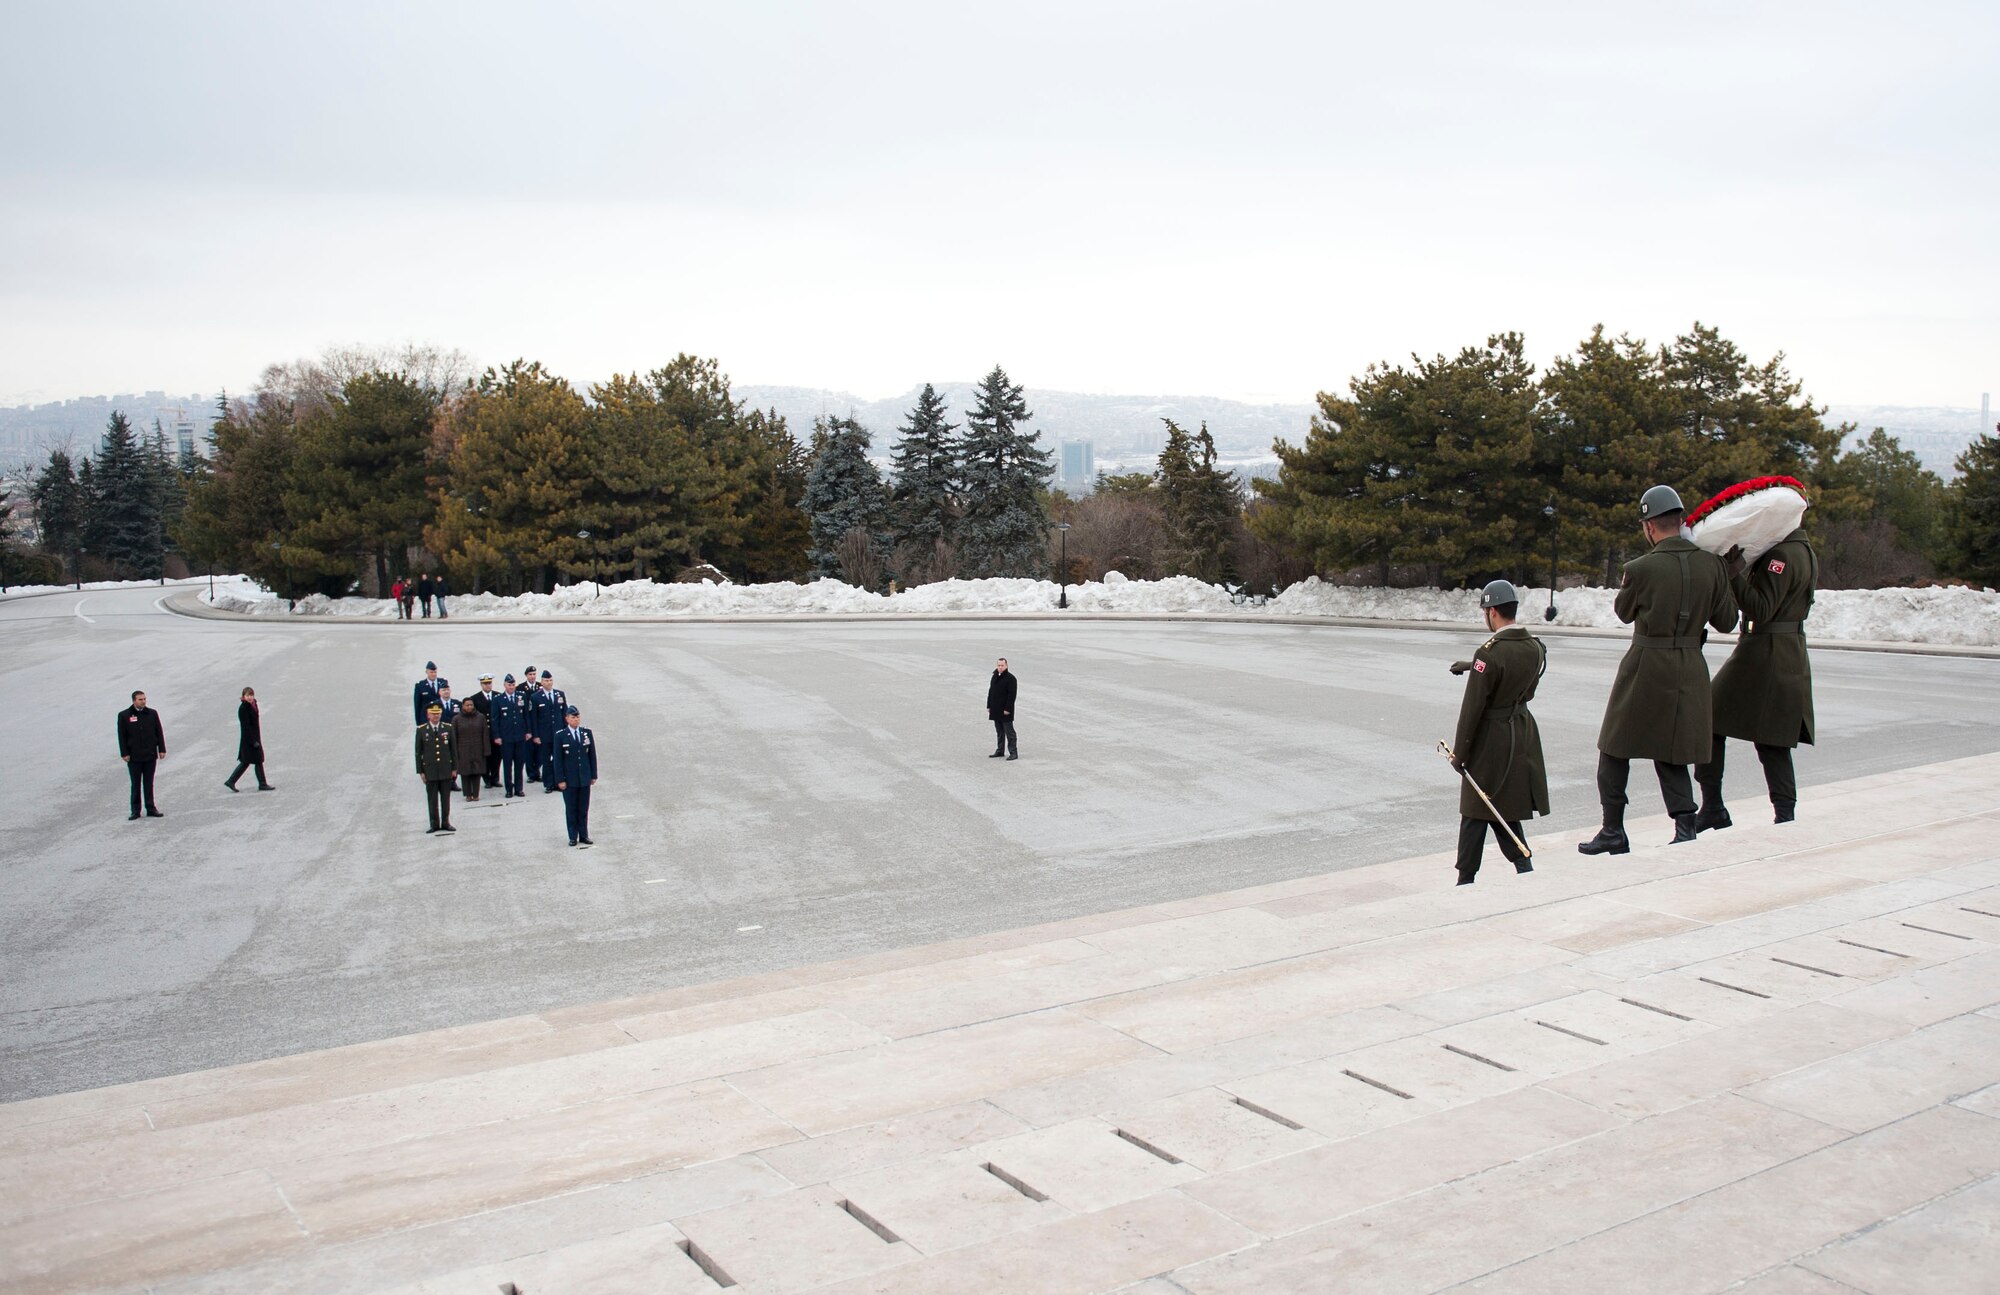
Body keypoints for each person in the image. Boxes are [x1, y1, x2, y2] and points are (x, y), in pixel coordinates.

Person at [1581, 485, 1740, 855]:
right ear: (1680, 521)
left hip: (1646, 664)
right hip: (1690, 666)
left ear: (1650, 526)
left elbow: (1623, 613)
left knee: (1615, 747)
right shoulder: (1712, 565)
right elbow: (1727, 622)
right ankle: (1685, 827)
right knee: (1671, 749)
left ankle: (1613, 829)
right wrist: (1727, 576)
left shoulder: (1640, 569)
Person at [1696, 526, 1818, 828]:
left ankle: (1715, 807)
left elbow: (1761, 608)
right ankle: (1783, 815)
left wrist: (1734, 574)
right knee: (1771, 738)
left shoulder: (1781, 556)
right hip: (1779, 650)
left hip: (1766, 653)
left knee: (1712, 718)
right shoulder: (1803, 550)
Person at [1446, 581, 1548, 884]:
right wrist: (1472, 665)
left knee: (1477, 804)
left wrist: (1459, 753)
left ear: (1492, 612)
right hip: (1520, 732)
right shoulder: (1535, 647)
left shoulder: (1488, 653)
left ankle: (1466, 877)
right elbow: (1516, 678)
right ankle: (1522, 862)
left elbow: (1472, 710)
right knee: (1502, 804)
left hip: (1489, 739)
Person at [552, 704, 599, 846]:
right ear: (567, 718)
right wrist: (560, 779)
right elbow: (558, 760)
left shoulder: (586, 733)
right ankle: (573, 836)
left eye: (577, 717)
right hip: (569, 779)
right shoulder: (560, 736)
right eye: (573, 717)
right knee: (571, 809)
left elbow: (592, 755)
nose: (576, 720)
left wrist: (593, 775)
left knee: (583, 808)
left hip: (584, 778)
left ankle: (584, 835)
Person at [117, 689, 167, 820]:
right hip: (134, 756)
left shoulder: (152, 713)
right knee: (136, 784)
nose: (143, 701)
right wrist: (124, 753)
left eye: (144, 699)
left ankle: (151, 807)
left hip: (150, 754)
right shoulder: (124, 715)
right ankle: (135, 810)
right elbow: (121, 736)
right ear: (134, 700)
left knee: (149, 782)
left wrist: (161, 749)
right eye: (140, 699)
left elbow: (159, 732)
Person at [415, 700, 458, 833]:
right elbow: (418, 752)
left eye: (438, 714)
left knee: (446, 798)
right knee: (432, 799)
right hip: (430, 770)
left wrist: (454, 768)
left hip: (445, 769)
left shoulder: (447, 728)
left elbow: (453, 750)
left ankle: (446, 822)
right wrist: (421, 771)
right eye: (433, 714)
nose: (436, 716)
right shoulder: (422, 730)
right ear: (428, 715)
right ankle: (434, 824)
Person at [224, 686, 274, 792]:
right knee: (250, 761)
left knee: (254, 761)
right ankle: (261, 783)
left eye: (251, 695)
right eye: (248, 695)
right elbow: (245, 727)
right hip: (249, 740)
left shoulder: (253, 705)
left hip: (254, 738)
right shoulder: (243, 708)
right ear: (243, 696)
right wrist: (253, 741)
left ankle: (233, 781)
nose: (250, 697)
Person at [492, 673, 530, 797]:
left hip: (520, 736)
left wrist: (528, 731)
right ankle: (509, 789)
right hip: (506, 737)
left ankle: (519, 788)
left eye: (513, 685)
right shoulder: (498, 699)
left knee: (519, 764)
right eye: (509, 685)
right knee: (507, 765)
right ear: (504, 685)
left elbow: (526, 716)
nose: (511, 687)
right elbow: (495, 719)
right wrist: (497, 736)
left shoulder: (521, 696)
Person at [452, 694, 489, 801]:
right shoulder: (457, 719)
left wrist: (486, 750)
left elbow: (485, 734)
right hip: (463, 749)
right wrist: (454, 752)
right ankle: (468, 794)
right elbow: (454, 736)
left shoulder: (480, 717)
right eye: (467, 705)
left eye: (471, 705)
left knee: (477, 772)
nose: (469, 707)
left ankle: (476, 794)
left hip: (478, 749)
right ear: (462, 706)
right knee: (465, 773)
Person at [538, 671, 570, 792]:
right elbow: (534, 718)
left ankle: (559, 781)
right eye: (546, 680)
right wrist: (536, 735)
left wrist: (566, 730)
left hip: (559, 733)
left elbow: (565, 713)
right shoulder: (536, 697)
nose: (549, 683)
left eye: (550, 680)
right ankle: (548, 783)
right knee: (546, 760)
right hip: (545, 735)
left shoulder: (559, 694)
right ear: (542, 682)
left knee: (559, 759)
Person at [471, 673, 502, 789]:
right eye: (485, 684)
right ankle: (486, 779)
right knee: (485, 757)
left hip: (496, 732)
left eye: (489, 683)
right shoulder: (475, 698)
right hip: (483, 733)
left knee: (497, 757)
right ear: (481, 685)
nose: (488, 685)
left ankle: (495, 778)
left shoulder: (498, 696)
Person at [986, 657, 1018, 760]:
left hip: (1005, 711)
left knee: (1009, 732)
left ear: (1006, 666)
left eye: (1002, 665)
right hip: (995, 709)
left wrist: (1007, 709)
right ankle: (1000, 750)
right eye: (998, 665)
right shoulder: (994, 676)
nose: (1000, 667)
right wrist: (989, 705)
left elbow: (1012, 696)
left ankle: (1013, 752)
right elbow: (991, 692)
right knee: (999, 731)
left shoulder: (1011, 678)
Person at [520, 667, 544, 782]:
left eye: (534, 674)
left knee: (540, 751)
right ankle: (531, 774)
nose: (532, 676)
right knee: (528, 751)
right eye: (530, 674)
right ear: (526, 675)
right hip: (527, 723)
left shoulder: (541, 687)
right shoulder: (520, 688)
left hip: (539, 723)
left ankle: (537, 771)